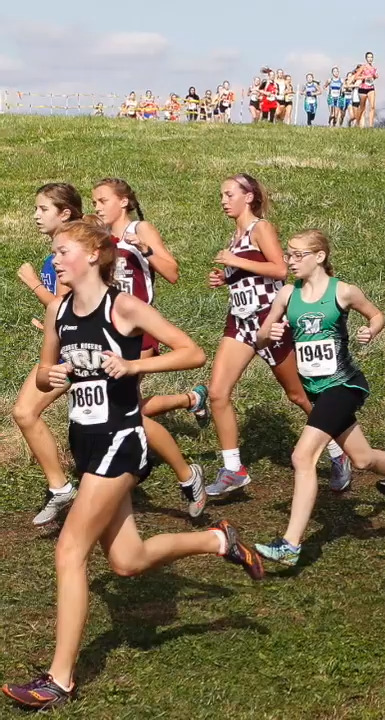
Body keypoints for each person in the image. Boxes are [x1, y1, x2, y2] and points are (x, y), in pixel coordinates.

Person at [1, 221, 262, 711]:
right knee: (127, 562)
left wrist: (136, 366)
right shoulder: (59, 310)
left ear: (95, 253)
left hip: (122, 442)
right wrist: (49, 373)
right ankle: (218, 541)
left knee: (69, 551)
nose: (54, 259)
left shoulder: (122, 307)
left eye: (62, 251)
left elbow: (192, 352)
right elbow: (42, 374)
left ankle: (59, 679)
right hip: (85, 443)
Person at [251, 231, 385, 566]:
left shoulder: (343, 291)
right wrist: (271, 333)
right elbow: (261, 336)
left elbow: (377, 315)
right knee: (363, 459)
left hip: (344, 386)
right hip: (316, 389)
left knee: (302, 456)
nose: (290, 261)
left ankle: (291, 544)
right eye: (289, 255)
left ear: (319, 256)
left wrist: (372, 330)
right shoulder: (286, 295)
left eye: (297, 255)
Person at [202, 174, 351, 497]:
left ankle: (340, 453)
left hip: (271, 322)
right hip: (240, 322)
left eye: (229, 194)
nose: (223, 200)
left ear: (249, 197)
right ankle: (233, 469)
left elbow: (281, 270)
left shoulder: (261, 228)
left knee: (300, 395)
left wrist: (234, 261)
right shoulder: (235, 236)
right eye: (221, 195)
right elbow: (250, 274)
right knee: (217, 393)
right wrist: (226, 280)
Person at [92, 178, 210, 516]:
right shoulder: (99, 235)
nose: (97, 206)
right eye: (94, 201)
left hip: (139, 331)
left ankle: (187, 476)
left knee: (125, 408)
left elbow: (172, 272)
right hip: (108, 329)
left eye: (103, 200)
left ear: (124, 201)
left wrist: (144, 249)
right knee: (126, 407)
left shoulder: (141, 228)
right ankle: (191, 399)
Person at [15, 184, 82, 526]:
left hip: (82, 350)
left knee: (26, 412)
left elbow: (64, 304)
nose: (36, 216)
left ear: (65, 213)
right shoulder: (60, 247)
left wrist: (32, 283)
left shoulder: (73, 247)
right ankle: (62, 488)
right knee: (25, 413)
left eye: (43, 209)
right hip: (64, 344)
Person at [355, 52, 379, 129]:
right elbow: (356, 77)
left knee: (372, 106)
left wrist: (375, 76)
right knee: (362, 108)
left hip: (371, 88)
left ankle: (371, 125)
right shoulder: (363, 67)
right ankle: (357, 123)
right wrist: (365, 77)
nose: (370, 59)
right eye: (368, 57)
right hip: (363, 89)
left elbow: (373, 77)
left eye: (371, 57)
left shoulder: (374, 68)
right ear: (366, 58)